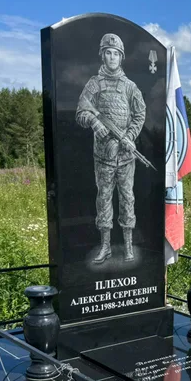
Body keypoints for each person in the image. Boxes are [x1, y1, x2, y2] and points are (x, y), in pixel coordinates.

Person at [76, 33, 146, 264]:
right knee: (104, 199)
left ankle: (128, 246)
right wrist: (94, 122)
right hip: (104, 156)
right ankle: (105, 246)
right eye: (108, 52)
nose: (112, 57)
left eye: (116, 53)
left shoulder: (130, 87)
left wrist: (130, 136)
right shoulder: (94, 84)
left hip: (125, 156)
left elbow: (140, 114)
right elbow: (81, 112)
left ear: (121, 57)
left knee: (127, 199)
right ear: (102, 55)